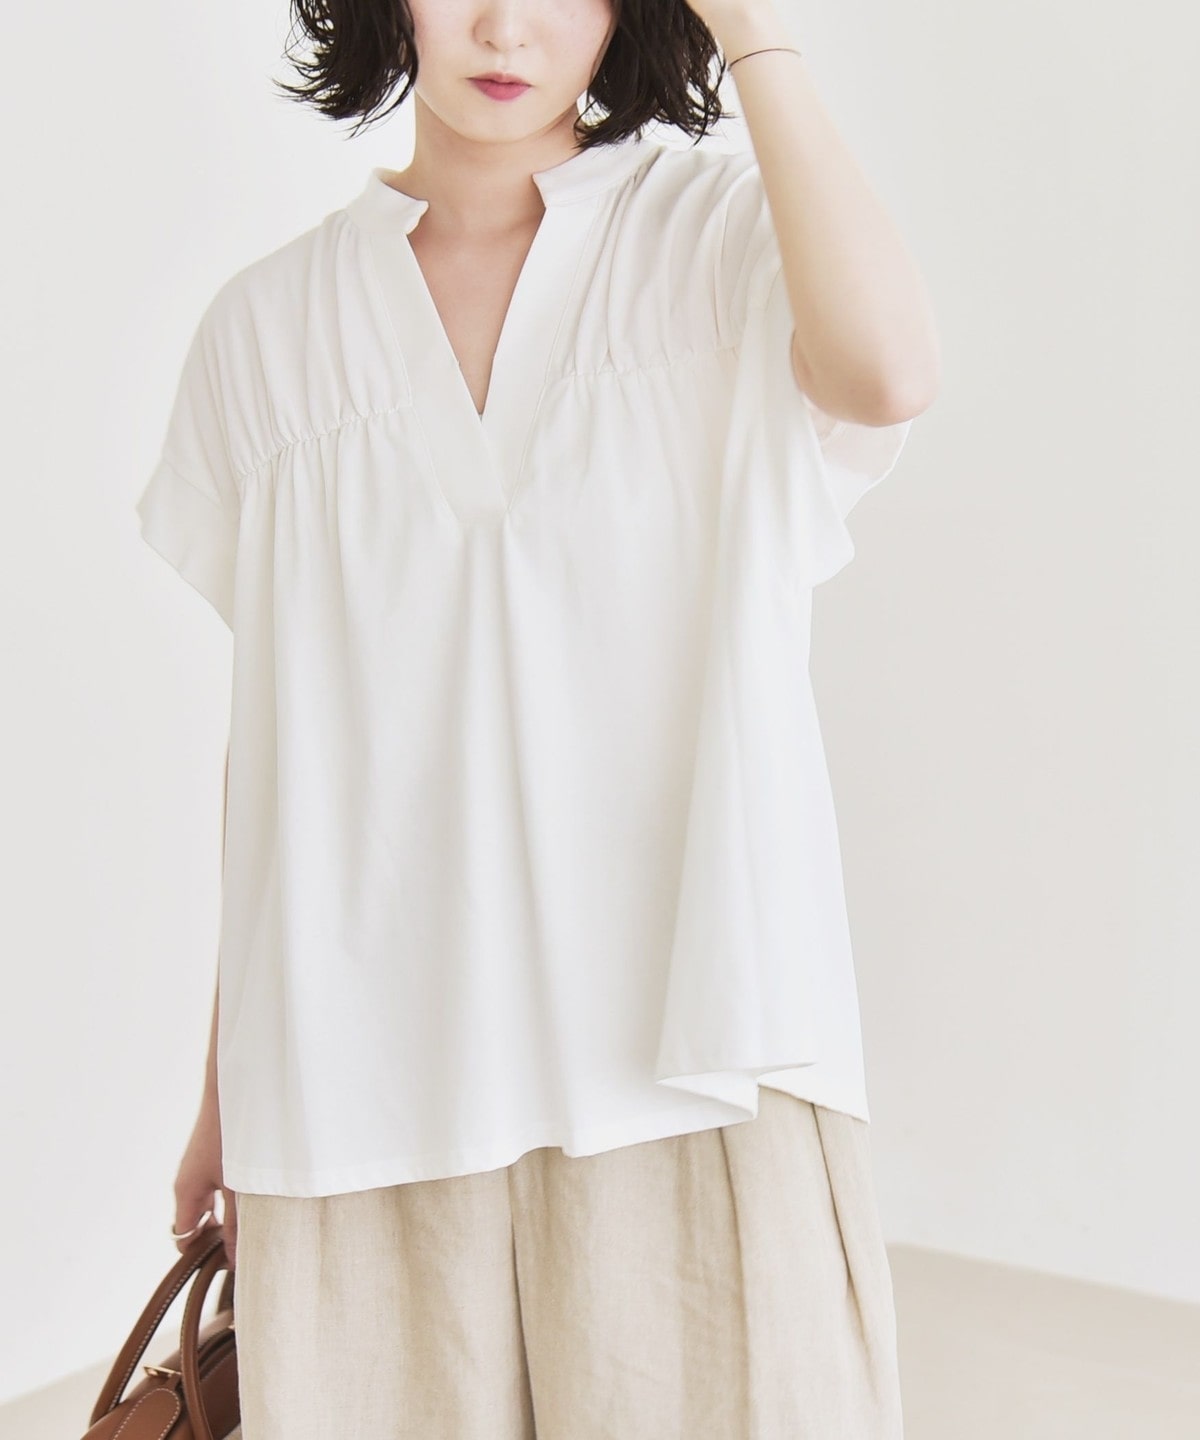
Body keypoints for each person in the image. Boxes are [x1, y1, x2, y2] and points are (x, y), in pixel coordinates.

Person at [141, 0, 940, 1434]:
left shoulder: (715, 242)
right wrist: (226, 1095)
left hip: (694, 1055)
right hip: (368, 1095)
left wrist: (752, 33)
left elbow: (887, 373)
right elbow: (282, 754)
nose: (507, 25)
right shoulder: (264, 336)